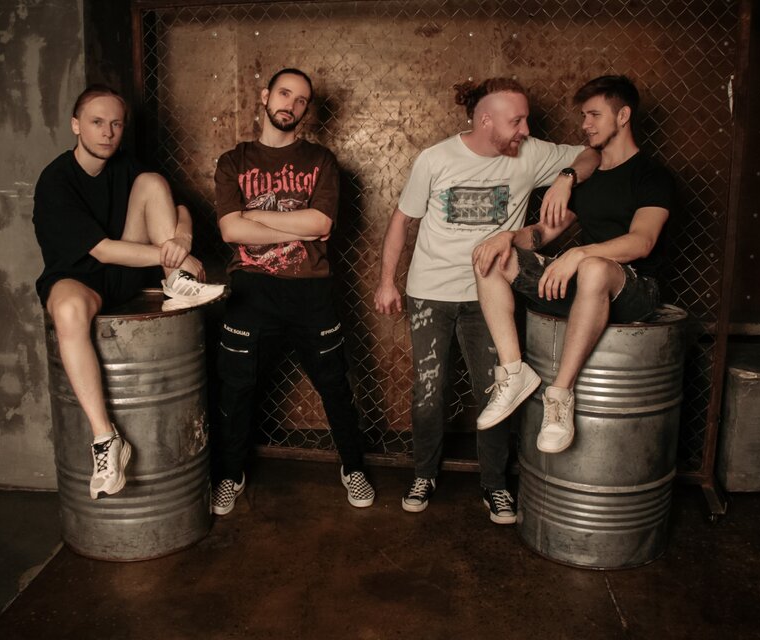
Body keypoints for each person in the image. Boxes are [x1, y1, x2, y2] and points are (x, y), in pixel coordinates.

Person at [373, 77, 599, 524]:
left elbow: (593, 154)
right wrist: (386, 282)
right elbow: (401, 221)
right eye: (516, 121)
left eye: (526, 120)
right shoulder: (435, 159)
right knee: (428, 393)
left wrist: (565, 179)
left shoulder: (530, 153)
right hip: (430, 293)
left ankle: (494, 485)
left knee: (496, 392)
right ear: (485, 120)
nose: (525, 129)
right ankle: (424, 475)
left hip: (488, 297)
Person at [33, 84, 226, 500]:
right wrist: (171, 253)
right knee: (67, 312)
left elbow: (180, 209)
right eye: (97, 122)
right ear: (76, 125)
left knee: (153, 182)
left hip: (123, 274)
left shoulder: (126, 166)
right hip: (78, 279)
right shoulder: (56, 180)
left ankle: (175, 281)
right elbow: (101, 250)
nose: (108, 132)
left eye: (116, 124)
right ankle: (106, 439)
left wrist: (182, 243)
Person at [473, 75, 676, 454]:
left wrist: (580, 254)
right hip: (586, 288)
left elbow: (642, 241)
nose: (585, 124)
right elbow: (543, 233)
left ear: (623, 116)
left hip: (635, 290)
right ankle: (514, 373)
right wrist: (506, 238)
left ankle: (560, 395)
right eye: (584, 116)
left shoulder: (652, 175)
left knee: (594, 266)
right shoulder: (588, 179)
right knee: (490, 255)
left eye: (594, 115)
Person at [212, 68, 374, 515]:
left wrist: (254, 217)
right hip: (251, 289)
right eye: (285, 94)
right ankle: (229, 474)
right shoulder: (234, 161)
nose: (292, 105)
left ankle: (353, 468)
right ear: (265, 96)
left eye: (301, 100)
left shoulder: (320, 160)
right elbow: (230, 230)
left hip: (310, 289)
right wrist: (296, 225)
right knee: (235, 388)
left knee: (334, 385)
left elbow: (320, 223)